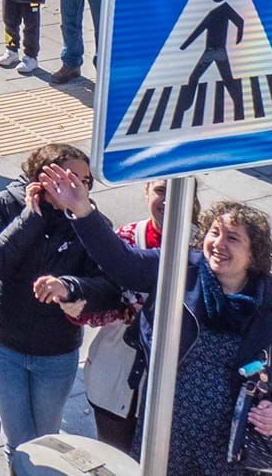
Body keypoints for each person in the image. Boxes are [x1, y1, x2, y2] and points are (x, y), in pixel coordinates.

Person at [50, 168, 272, 476]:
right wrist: (82, 210)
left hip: (234, 453)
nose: (218, 244)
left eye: (233, 238)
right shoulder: (177, 269)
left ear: (254, 255)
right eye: (214, 233)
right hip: (165, 438)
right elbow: (123, 263)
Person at [0, 143, 121, 458]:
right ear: (42, 179)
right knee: (18, 442)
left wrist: (71, 288)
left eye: (85, 181)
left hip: (56, 353)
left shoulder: (90, 222)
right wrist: (31, 217)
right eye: (70, 178)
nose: (78, 188)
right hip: (4, 346)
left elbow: (111, 286)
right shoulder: (4, 205)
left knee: (45, 440)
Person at [66, 178, 195, 453]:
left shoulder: (204, 248)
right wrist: (77, 299)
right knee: (116, 458)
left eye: (177, 192)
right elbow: (102, 292)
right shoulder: (124, 239)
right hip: (115, 376)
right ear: (146, 190)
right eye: (161, 190)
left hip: (176, 384)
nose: (168, 200)